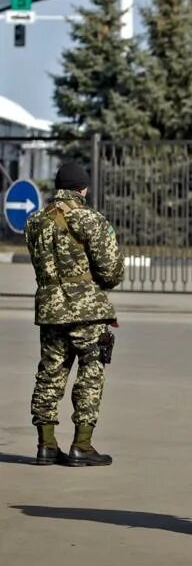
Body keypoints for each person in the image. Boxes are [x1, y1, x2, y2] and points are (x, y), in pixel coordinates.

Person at [24, 162, 124, 467]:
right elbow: (111, 270)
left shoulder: (35, 221)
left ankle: (46, 444)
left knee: (50, 372)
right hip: (87, 311)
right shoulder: (91, 219)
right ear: (83, 188)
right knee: (90, 372)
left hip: (50, 308)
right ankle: (82, 445)